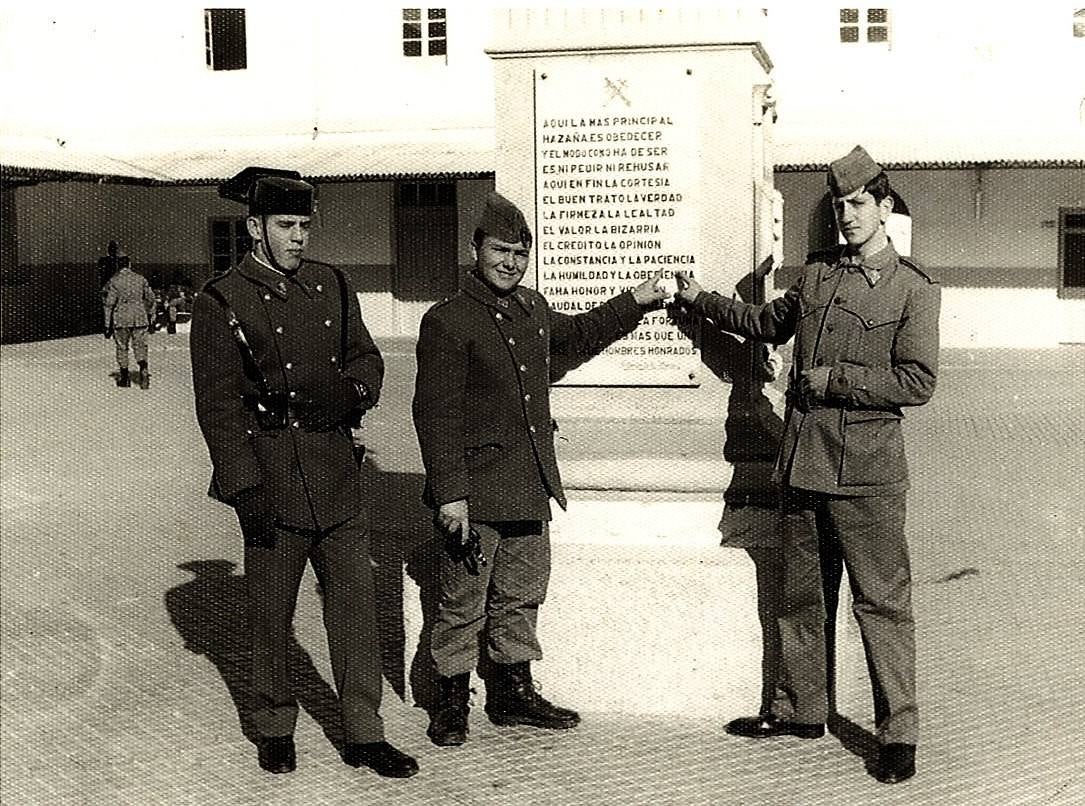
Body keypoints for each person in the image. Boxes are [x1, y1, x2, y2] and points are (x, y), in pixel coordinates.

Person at [674, 145, 940, 785]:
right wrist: (699, 301)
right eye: (839, 206)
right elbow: (763, 322)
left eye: (858, 204)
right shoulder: (818, 279)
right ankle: (801, 711)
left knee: (881, 606)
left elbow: (917, 381)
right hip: (804, 468)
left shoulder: (912, 288)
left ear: (883, 206)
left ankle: (896, 733)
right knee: (801, 600)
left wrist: (832, 381)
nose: (847, 216)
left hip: (868, 479)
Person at [412, 191, 667, 747]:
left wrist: (636, 300)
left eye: (521, 253)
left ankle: (512, 691)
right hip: (475, 492)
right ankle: (451, 697)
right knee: (462, 599)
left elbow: (577, 336)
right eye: (501, 250)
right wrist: (450, 495)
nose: (511, 262)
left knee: (521, 594)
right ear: (475, 249)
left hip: (529, 482)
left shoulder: (532, 308)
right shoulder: (448, 320)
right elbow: (435, 413)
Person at [189, 166, 418, 779]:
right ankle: (273, 723)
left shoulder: (333, 286)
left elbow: (367, 360)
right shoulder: (221, 301)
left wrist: (352, 394)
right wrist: (244, 489)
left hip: (338, 477)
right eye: (286, 226)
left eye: (305, 227)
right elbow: (216, 406)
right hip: (273, 483)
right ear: (255, 228)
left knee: (355, 611)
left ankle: (365, 733)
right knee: (271, 615)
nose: (298, 239)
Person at [102, 246, 155, 389]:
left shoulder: (114, 281)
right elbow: (151, 298)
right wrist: (151, 315)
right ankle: (143, 369)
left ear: (119, 265)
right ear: (130, 264)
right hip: (139, 317)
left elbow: (109, 304)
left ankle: (124, 378)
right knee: (140, 346)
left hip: (121, 319)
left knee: (122, 347)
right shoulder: (140, 279)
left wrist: (107, 325)